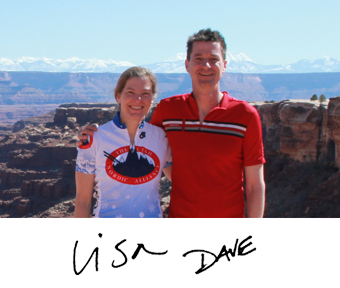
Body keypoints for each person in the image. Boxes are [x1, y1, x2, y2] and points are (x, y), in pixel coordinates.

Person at [78, 28, 265, 218]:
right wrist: (94, 134)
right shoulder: (169, 110)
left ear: (224, 65)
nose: (206, 65)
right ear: (187, 64)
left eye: (214, 59)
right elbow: (141, 137)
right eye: (198, 58)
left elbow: (255, 185)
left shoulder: (245, 115)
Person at [74, 67, 172, 218]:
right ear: (118, 96)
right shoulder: (94, 139)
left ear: (152, 99)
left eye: (145, 93)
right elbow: (83, 201)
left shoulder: (161, 138)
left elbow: (183, 182)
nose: (138, 99)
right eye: (130, 93)